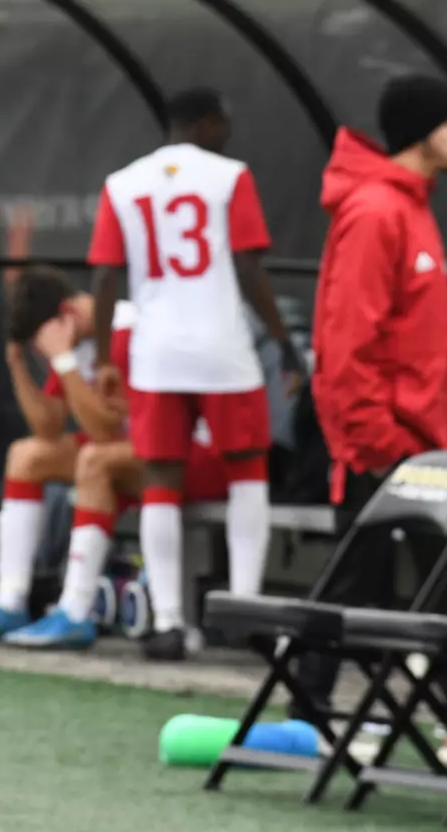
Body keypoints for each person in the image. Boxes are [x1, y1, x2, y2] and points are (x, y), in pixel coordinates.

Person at [293, 71, 447, 726]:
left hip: (424, 443)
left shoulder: (410, 204)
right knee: (362, 582)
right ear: (423, 130)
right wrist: (376, 446)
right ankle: (309, 711)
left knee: (431, 582)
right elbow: (346, 341)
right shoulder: (377, 212)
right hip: (388, 448)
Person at [87, 88, 300, 660]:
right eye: (223, 122)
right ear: (204, 122)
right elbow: (249, 265)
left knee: (161, 480)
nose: (227, 132)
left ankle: (168, 620)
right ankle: (248, 611)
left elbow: (107, 278)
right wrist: (283, 342)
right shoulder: (231, 177)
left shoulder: (123, 183)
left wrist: (106, 358)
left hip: (156, 354)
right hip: (223, 347)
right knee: (248, 472)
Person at [0, 265, 236, 650]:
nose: (45, 352)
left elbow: (105, 431)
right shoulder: (73, 337)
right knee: (26, 455)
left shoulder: (129, 329)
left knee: (94, 458)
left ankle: (75, 611)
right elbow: (48, 428)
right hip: (138, 459)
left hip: (194, 459)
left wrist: (63, 361)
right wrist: (16, 362)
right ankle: (9, 601)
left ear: (68, 314)